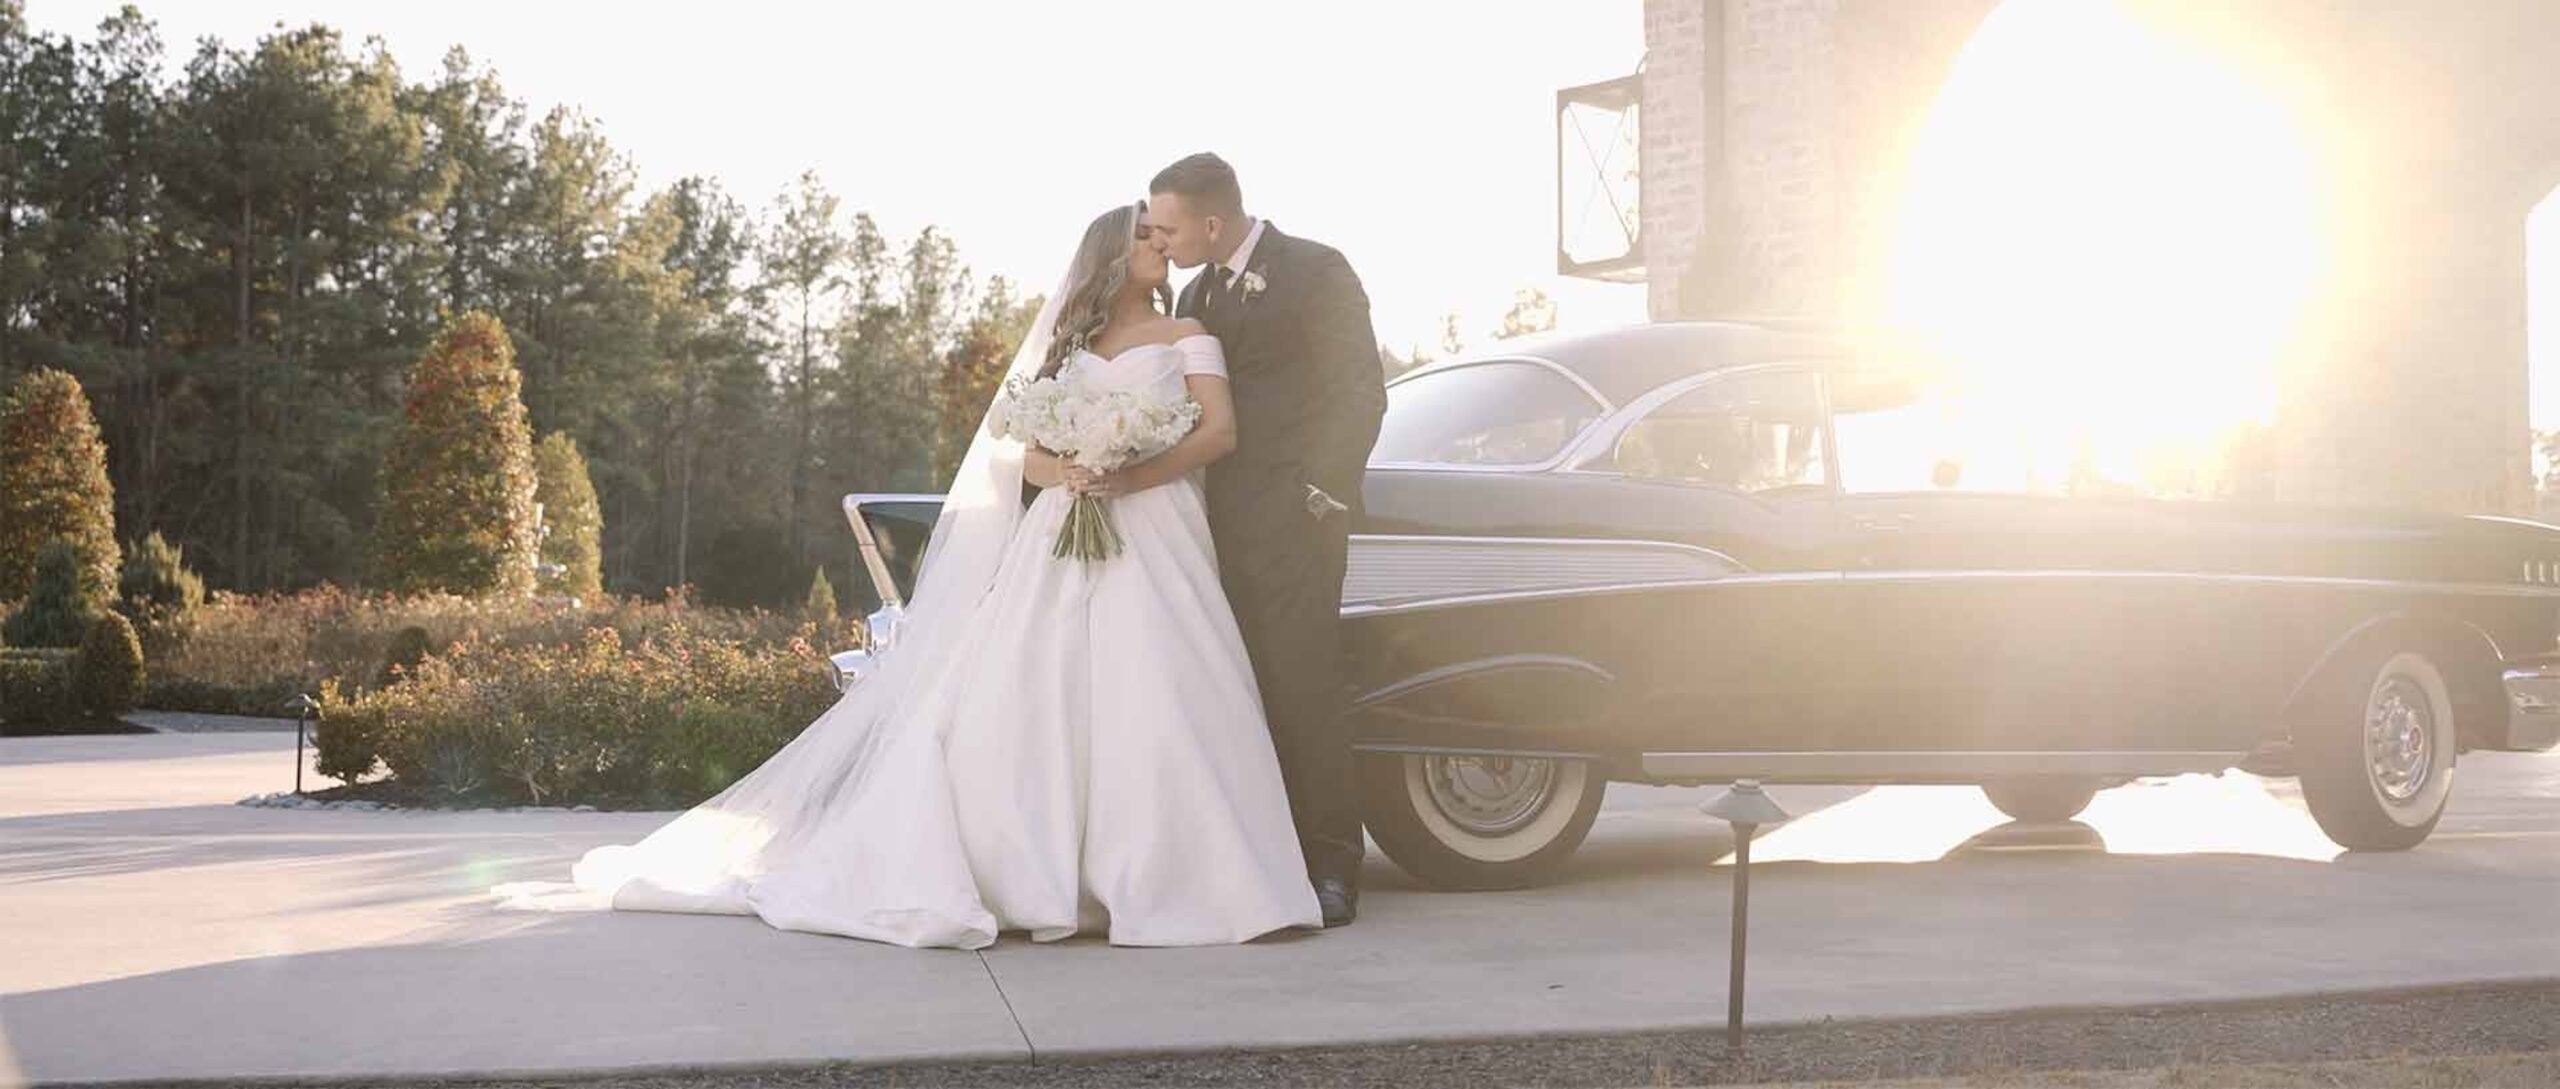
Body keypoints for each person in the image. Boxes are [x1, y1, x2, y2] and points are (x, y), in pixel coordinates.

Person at [492, 201, 1322, 949]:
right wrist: (1072, 465)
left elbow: (1218, 433)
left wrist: (1129, 471)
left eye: (1161, 233)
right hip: (1068, 525)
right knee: (1036, 695)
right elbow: (1021, 448)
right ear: (1109, 252)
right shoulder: (1069, 347)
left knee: (1163, 690)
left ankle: (1181, 875)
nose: (1160, 245)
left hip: (1159, 529)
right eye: (1143, 234)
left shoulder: (1189, 338)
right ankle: (1035, 875)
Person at [1134, 153, 1387, 927]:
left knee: (1303, 684)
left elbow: (1359, 389)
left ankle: (1335, 864)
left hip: (1298, 525)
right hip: (1214, 529)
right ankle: (1265, 856)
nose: (1161, 241)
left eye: (1170, 227)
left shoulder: (1316, 270)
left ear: (1213, 222)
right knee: (1239, 689)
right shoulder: (1196, 290)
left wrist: (1322, 493)